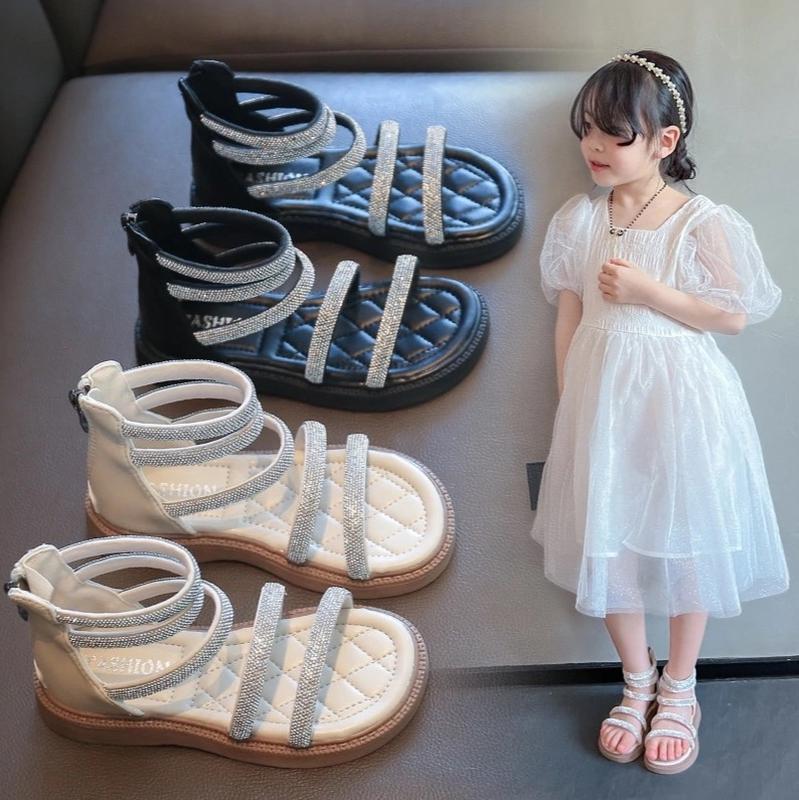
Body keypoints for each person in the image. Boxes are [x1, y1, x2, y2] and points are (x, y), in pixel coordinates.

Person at [529, 49, 789, 775]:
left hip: (682, 406)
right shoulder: (579, 219)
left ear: (664, 141)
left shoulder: (700, 221)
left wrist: (650, 292)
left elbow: (732, 315)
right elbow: (568, 318)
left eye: (614, 134)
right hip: (601, 406)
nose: (593, 147)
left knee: (687, 539)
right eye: (586, 129)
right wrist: (570, 405)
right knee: (605, 537)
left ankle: (680, 685)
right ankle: (635, 677)